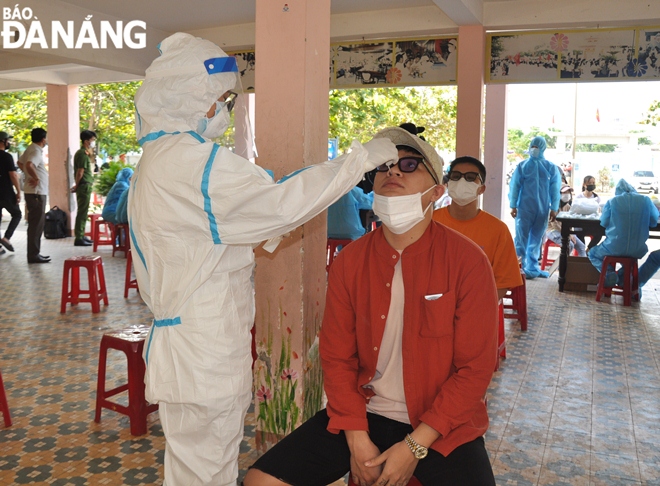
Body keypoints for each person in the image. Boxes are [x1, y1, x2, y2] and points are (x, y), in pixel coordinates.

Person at [129, 32, 397, 486]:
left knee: (194, 466)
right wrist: (359, 161)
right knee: (205, 471)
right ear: (191, 95)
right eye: (221, 98)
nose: (226, 109)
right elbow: (279, 204)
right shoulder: (194, 162)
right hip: (204, 351)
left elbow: (253, 209)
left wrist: (294, 192)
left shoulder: (159, 159)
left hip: (188, 348)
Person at [245, 127, 498, 486]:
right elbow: (336, 356)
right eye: (384, 166)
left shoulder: (467, 261)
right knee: (261, 482)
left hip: (442, 424)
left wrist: (414, 446)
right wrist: (356, 438)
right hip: (364, 413)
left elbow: (475, 369)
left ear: (437, 193)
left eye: (409, 164)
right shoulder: (352, 260)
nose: (393, 171)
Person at [433, 156, 522, 299]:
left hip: (476, 307)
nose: (462, 181)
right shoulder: (428, 222)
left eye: (470, 177)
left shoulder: (498, 230)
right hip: (432, 306)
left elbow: (502, 284)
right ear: (448, 183)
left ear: (481, 189)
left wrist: (473, 310)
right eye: (456, 176)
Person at [588, 178, 659, 287]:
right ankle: (624, 280)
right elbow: (654, 221)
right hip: (638, 249)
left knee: (592, 254)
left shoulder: (613, 201)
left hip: (613, 247)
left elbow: (604, 222)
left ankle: (610, 273)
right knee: (629, 261)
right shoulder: (645, 200)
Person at [509, 136, 561, 279]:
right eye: (533, 147)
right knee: (521, 238)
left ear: (543, 149)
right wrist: (513, 205)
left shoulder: (550, 167)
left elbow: (555, 189)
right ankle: (517, 267)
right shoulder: (522, 166)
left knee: (536, 240)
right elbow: (515, 186)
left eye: (537, 147)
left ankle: (532, 267)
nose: (534, 150)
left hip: (543, 210)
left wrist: (554, 208)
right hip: (524, 208)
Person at [18, 128, 50, 264]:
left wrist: (27, 173)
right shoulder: (36, 150)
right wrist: (35, 178)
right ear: (43, 139)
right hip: (37, 193)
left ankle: (34, 253)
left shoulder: (30, 148)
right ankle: (33, 255)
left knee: (35, 224)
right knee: (36, 225)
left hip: (33, 192)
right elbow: (29, 164)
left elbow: (21, 163)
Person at [545, 184, 587, 257]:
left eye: (568, 192)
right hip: (553, 230)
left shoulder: (567, 206)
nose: (567, 194)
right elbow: (554, 224)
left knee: (581, 246)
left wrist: (571, 234)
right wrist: (569, 234)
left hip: (565, 231)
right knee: (568, 245)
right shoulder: (553, 207)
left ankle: (582, 266)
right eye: (564, 193)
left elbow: (570, 221)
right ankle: (561, 267)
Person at [71, 130, 97, 246]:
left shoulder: (84, 153)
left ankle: (81, 235)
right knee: (82, 212)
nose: (93, 142)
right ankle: (79, 237)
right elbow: (80, 172)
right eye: (92, 140)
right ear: (86, 141)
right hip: (84, 185)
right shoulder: (82, 154)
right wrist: (77, 185)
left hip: (85, 185)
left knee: (84, 211)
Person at [0, 131, 21, 253]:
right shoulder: (7, 157)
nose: (8, 143)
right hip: (6, 193)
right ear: (3, 141)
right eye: (7, 140)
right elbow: (13, 175)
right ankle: (7, 238)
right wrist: (18, 191)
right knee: (17, 214)